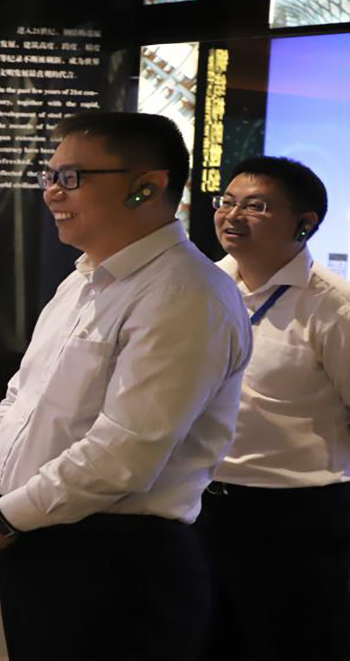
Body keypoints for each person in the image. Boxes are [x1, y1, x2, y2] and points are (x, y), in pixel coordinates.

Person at [0, 112, 252, 661]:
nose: (52, 192)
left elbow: (125, 453)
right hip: (41, 536)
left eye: (71, 177)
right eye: (49, 176)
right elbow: (21, 398)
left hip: (117, 561)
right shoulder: (84, 279)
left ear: (147, 187)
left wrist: (4, 515)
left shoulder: (186, 294)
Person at [197, 156, 350, 661]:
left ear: (304, 224)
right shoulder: (202, 287)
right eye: (227, 201)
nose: (232, 215)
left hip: (295, 517)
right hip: (201, 504)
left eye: (256, 206)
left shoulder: (334, 306)